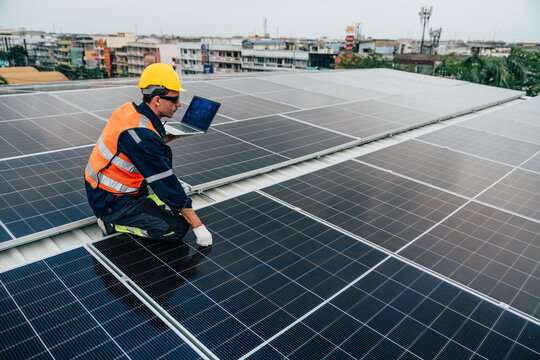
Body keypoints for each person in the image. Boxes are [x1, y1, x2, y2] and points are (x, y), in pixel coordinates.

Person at [84, 63, 212, 247]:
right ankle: (113, 224)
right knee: (176, 229)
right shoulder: (142, 138)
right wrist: (198, 226)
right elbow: (165, 181)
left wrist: (173, 135)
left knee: (164, 156)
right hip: (111, 202)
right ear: (157, 100)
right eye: (174, 98)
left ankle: (144, 205)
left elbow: (140, 146)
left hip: (104, 186)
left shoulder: (129, 110)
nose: (179, 104)